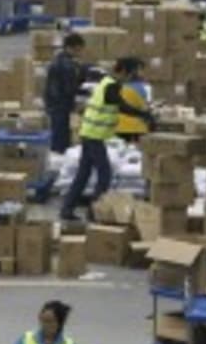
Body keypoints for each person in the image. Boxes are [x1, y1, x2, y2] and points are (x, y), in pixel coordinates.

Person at [60, 57, 151, 223]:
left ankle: (67, 209)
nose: (132, 77)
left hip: (90, 134)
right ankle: (95, 212)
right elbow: (123, 107)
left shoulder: (107, 83)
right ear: (123, 71)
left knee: (83, 174)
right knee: (105, 175)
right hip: (94, 136)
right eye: (131, 73)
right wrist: (144, 114)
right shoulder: (111, 86)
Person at [43, 32, 87, 155]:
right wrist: (83, 94)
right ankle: (59, 157)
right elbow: (69, 88)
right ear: (71, 48)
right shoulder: (67, 65)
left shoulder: (59, 60)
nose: (80, 53)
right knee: (61, 135)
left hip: (54, 103)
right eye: (79, 50)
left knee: (58, 132)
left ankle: (57, 154)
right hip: (61, 104)